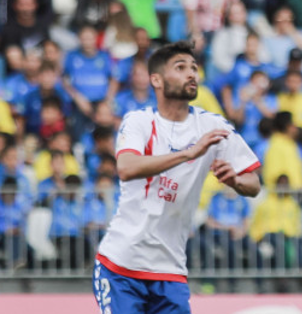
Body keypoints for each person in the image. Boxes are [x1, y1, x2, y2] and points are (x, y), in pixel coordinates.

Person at [93, 41, 261, 313]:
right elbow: (126, 167)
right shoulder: (139, 121)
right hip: (121, 266)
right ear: (156, 80)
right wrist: (189, 153)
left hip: (170, 270)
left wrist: (237, 181)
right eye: (180, 67)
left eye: (194, 68)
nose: (192, 74)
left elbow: (254, 184)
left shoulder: (213, 126)